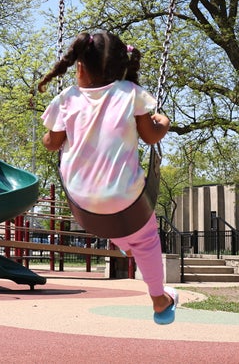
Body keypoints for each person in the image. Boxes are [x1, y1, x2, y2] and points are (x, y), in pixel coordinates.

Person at [38, 31, 177, 325]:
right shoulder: (130, 93)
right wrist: (163, 122)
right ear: (121, 69)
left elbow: (52, 143)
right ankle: (158, 299)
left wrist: (48, 135)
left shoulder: (67, 98)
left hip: (81, 202)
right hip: (125, 200)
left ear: (78, 66)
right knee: (146, 238)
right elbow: (151, 137)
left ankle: (127, 244)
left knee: (124, 230)